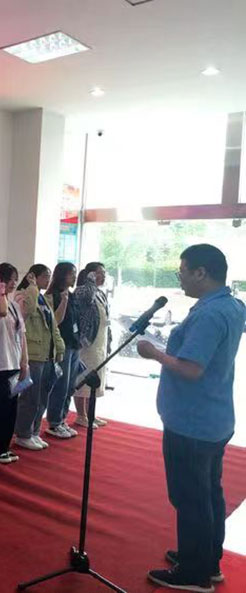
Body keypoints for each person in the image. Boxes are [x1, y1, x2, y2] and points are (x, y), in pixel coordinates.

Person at [138, 244, 245, 593]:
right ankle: (205, 559)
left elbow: (191, 368)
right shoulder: (230, 305)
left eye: (182, 271)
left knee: (190, 498)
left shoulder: (209, 314)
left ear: (201, 272)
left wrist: (154, 353)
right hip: (212, 417)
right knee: (208, 493)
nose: (179, 277)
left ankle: (194, 573)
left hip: (193, 422)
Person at [12, 264, 65, 451]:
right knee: (30, 397)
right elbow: (27, 311)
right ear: (32, 277)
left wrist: (59, 346)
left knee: (43, 396)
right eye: (44, 276)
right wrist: (32, 287)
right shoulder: (22, 295)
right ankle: (23, 434)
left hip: (47, 355)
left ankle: (34, 431)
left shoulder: (44, 298)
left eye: (49, 276)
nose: (48, 280)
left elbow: (53, 325)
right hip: (33, 354)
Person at [0, 263, 28, 464]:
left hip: (14, 363)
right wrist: (1, 293)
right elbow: (0, 313)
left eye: (15, 279)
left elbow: (22, 334)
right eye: (10, 279)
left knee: (11, 408)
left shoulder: (14, 306)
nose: (14, 283)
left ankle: (4, 447)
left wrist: (25, 361)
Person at [44, 263, 81, 439]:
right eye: (71, 274)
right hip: (61, 346)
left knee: (70, 386)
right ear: (62, 275)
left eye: (75, 273)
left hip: (74, 344)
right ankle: (54, 421)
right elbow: (54, 322)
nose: (74, 277)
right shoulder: (52, 296)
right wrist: (64, 301)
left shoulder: (72, 295)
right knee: (61, 385)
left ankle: (62, 419)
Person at [74, 262, 110, 428]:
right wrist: (89, 281)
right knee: (83, 378)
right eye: (99, 273)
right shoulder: (82, 290)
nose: (103, 276)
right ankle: (81, 415)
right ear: (90, 274)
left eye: (104, 273)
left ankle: (91, 414)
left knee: (96, 377)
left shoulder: (101, 293)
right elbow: (87, 298)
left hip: (100, 341)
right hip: (87, 342)